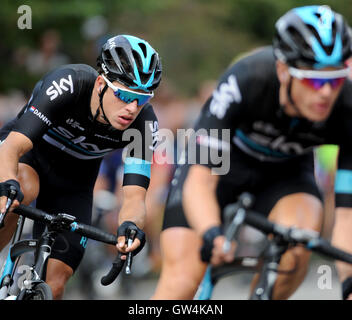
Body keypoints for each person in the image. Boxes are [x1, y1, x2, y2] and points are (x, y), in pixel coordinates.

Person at [152, 5, 352, 300]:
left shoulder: (346, 108)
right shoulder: (246, 80)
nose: (325, 93)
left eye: (334, 79)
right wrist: (211, 233)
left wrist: (349, 283)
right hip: (221, 168)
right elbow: (201, 180)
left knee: (296, 250)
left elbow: (347, 216)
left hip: (286, 176)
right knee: (182, 282)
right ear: (284, 70)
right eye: (314, 79)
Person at [0, 34, 162, 299]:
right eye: (124, 94)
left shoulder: (144, 124)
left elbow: (135, 196)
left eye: (142, 99)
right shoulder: (70, 83)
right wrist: (7, 182)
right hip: (28, 158)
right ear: (101, 83)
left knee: (56, 283)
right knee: (25, 188)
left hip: (74, 184)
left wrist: (131, 226)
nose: (132, 108)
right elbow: (13, 146)